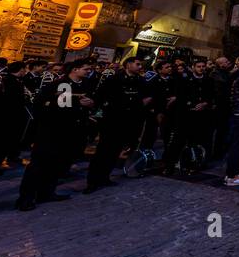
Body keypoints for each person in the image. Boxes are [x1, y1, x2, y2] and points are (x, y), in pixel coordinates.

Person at [17, 61, 93, 211]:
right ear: (75, 70)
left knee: (56, 164)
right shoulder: (61, 84)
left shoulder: (83, 84)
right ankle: (26, 198)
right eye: (86, 69)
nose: (88, 71)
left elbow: (86, 102)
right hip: (52, 131)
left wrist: (90, 104)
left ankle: (46, 192)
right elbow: (56, 107)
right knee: (39, 165)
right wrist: (80, 105)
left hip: (70, 131)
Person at [87, 56, 149, 192]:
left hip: (128, 121)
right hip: (112, 120)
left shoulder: (141, 81)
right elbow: (100, 96)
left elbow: (146, 97)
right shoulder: (114, 79)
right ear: (128, 65)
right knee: (103, 151)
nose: (140, 67)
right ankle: (92, 181)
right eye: (137, 64)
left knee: (115, 152)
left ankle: (105, 177)